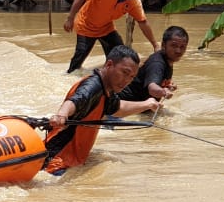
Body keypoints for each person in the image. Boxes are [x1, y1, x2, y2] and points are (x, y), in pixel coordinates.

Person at [44, 44, 159, 175]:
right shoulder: (93, 86)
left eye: (132, 77)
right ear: (109, 65)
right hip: (56, 165)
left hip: (71, 162)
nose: (127, 80)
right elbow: (74, 101)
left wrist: (147, 104)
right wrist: (61, 115)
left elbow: (118, 108)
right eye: (125, 73)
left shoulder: (106, 89)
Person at [64, 0, 159, 73]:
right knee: (77, 62)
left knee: (121, 56)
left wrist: (155, 45)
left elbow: (142, 22)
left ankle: (109, 78)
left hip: (106, 27)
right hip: (86, 25)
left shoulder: (133, 1)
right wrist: (70, 18)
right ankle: (68, 79)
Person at [118, 25, 188, 102]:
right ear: (163, 45)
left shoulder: (167, 59)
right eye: (174, 45)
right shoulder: (157, 63)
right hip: (125, 104)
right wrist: (163, 92)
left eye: (182, 47)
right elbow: (152, 88)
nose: (178, 51)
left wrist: (167, 85)